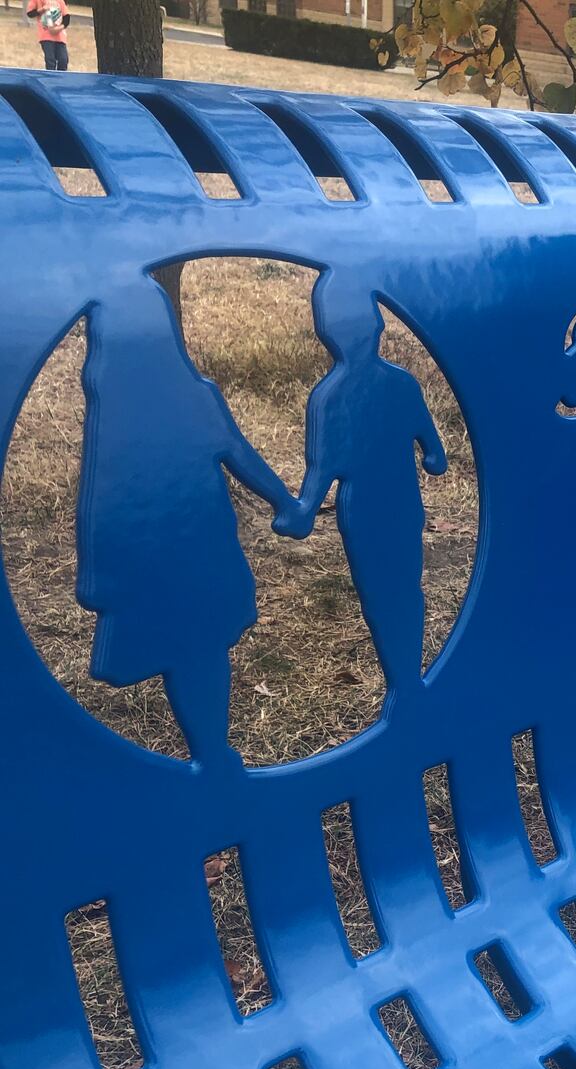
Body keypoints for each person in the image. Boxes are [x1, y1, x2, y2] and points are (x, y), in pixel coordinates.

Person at [78, 273, 296, 771]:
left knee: (191, 646)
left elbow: (101, 497)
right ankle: (211, 749)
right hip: (195, 546)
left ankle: (209, 751)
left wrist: (286, 501)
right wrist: (285, 501)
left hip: (171, 550)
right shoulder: (179, 400)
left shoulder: (121, 413)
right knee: (201, 646)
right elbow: (241, 456)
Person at [276, 277, 446, 700]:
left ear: (327, 331)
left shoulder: (330, 398)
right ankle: (409, 676)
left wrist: (301, 512)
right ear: (377, 326)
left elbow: (321, 471)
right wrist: (428, 457)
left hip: (366, 509)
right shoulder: (400, 383)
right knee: (407, 587)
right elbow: (435, 454)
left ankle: (403, 681)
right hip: (403, 500)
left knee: (381, 594)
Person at [24, 0, 68, 70]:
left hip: (60, 36)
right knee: (50, 60)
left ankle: (60, 79)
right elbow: (30, 13)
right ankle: (50, 79)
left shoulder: (60, 1)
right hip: (46, 36)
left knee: (63, 60)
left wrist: (59, 28)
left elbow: (66, 18)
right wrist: (42, 9)